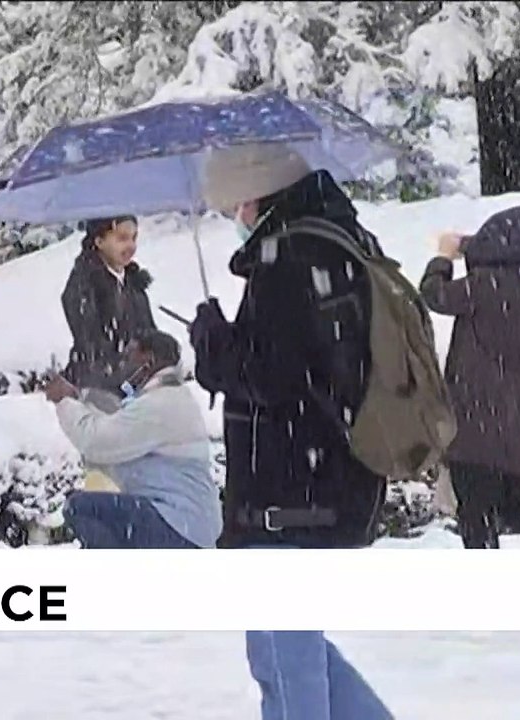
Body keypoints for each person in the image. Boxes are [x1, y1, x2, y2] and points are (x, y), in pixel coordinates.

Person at [189, 143, 393, 720]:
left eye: (235, 205)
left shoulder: (290, 255)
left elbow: (274, 376)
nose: (235, 216)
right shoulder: (335, 240)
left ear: (257, 195)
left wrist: (212, 345)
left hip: (295, 492)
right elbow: (305, 364)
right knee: (283, 648)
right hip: (326, 480)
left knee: (288, 657)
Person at [420, 206, 520, 549]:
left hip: (480, 421)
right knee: (516, 502)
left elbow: (434, 294)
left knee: (475, 509)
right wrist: (471, 247)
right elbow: (513, 255)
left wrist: (444, 257)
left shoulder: (485, 287)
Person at [46, 330, 220, 549]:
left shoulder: (160, 404)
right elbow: (115, 425)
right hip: (187, 526)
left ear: (149, 361)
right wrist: (76, 398)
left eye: (129, 356)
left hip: (179, 527)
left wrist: (63, 401)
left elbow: (98, 443)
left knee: (82, 507)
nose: (123, 364)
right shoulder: (169, 398)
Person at [60, 215, 157, 395]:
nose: (130, 246)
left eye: (134, 238)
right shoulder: (84, 285)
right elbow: (92, 343)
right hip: (97, 390)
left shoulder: (133, 283)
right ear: (99, 241)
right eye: (122, 238)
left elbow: (147, 332)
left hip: (136, 386)